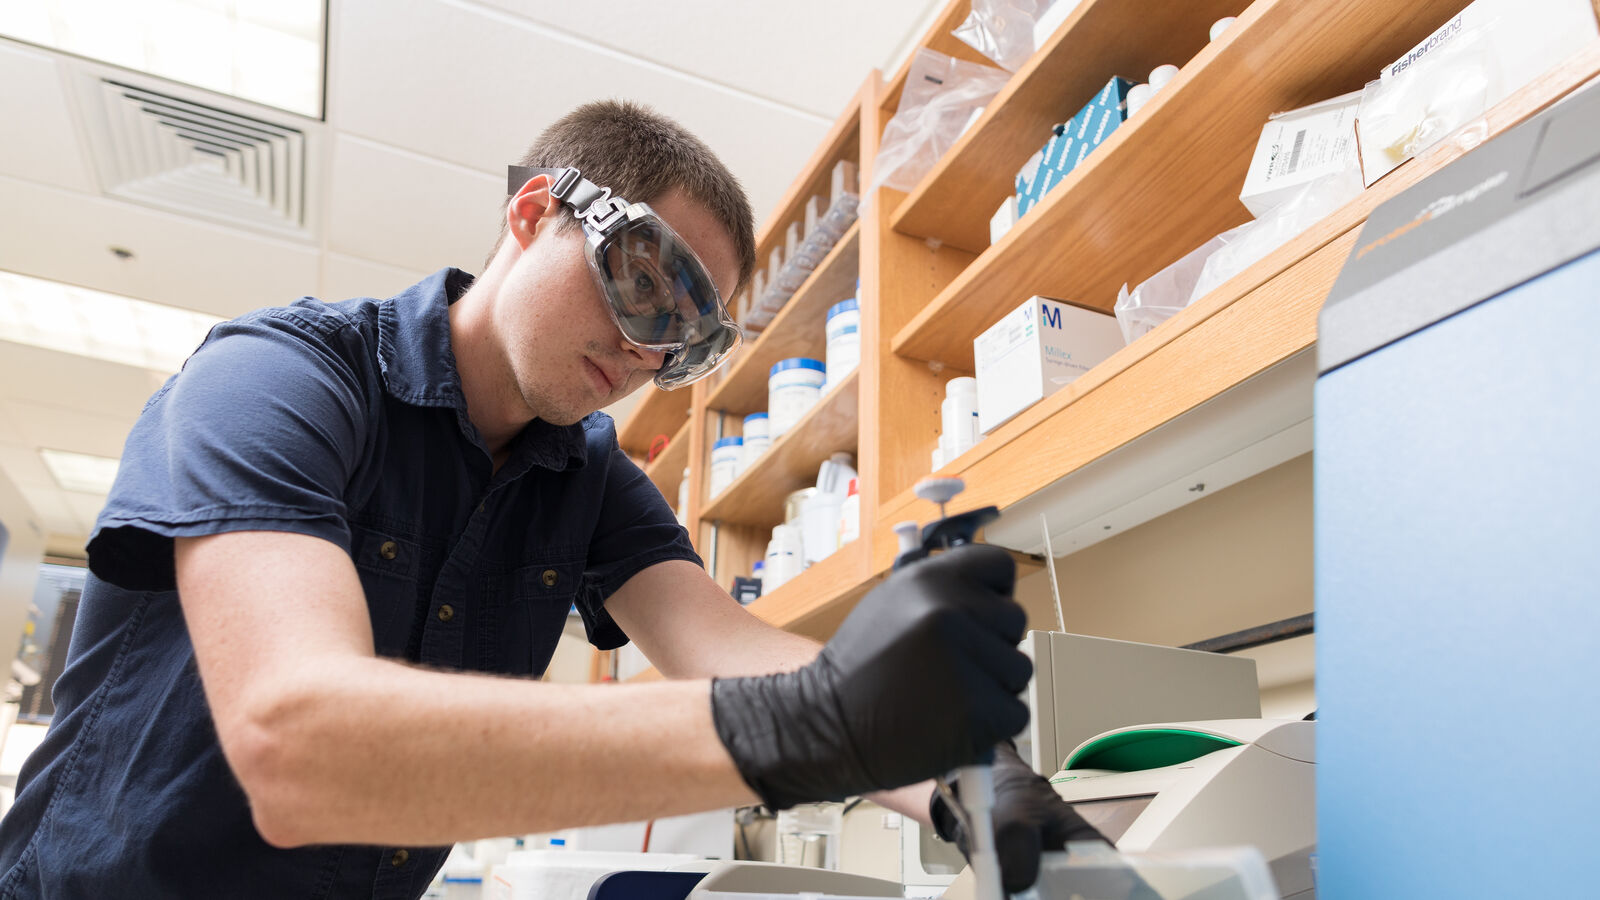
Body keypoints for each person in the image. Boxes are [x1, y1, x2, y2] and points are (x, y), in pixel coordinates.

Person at [0, 101, 1098, 899]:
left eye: (686, 338)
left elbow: (734, 648)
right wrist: (809, 730)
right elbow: (296, 743)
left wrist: (976, 781)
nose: (640, 347)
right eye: (637, 282)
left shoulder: (587, 478)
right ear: (535, 212)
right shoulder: (281, 379)